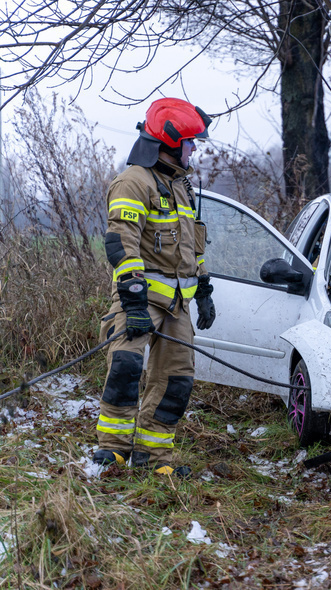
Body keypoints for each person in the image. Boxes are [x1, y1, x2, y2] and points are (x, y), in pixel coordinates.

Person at [93, 98, 217, 478]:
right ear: (169, 141)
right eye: (190, 142)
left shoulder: (179, 185)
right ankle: (112, 452)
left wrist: (205, 287)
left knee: (177, 379)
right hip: (141, 299)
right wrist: (131, 300)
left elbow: (190, 245)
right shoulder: (135, 181)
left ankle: (154, 456)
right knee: (126, 368)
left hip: (178, 306)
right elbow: (121, 242)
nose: (194, 149)